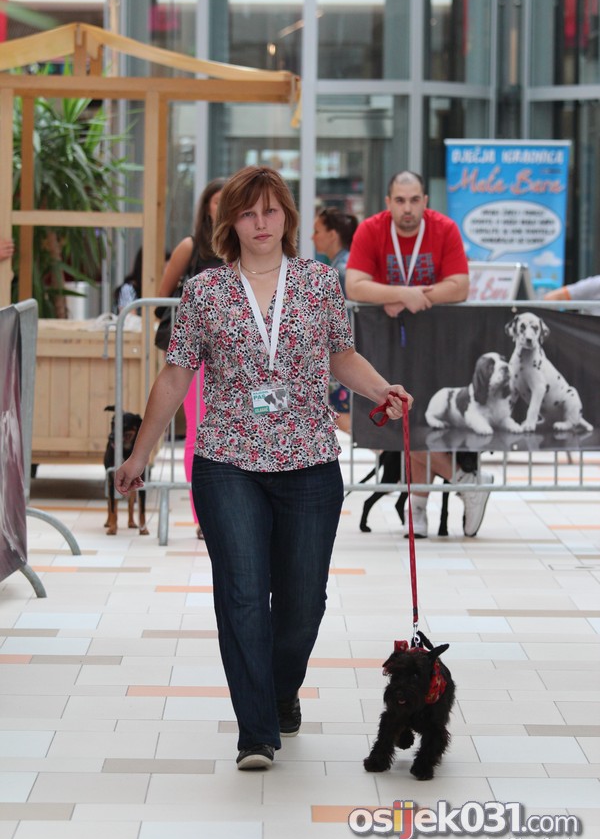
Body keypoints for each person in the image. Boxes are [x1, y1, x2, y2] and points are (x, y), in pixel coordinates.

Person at [115, 165, 413, 771]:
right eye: (248, 213)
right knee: (244, 594)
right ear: (231, 222)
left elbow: (341, 355)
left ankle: (280, 691)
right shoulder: (205, 291)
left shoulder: (319, 282)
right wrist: (140, 452)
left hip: (308, 459)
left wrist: (382, 389)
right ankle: (255, 731)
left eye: (270, 211)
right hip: (228, 461)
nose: (260, 223)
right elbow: (176, 374)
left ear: (287, 218)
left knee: (303, 603)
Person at [345, 169, 493, 539]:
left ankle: (421, 508)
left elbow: (460, 286)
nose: (407, 208)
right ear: (388, 203)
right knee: (400, 421)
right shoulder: (372, 229)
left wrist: (410, 297)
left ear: (425, 202)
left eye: (414, 200)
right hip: (386, 345)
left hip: (438, 346)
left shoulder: (444, 228)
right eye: (400, 200)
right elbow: (355, 285)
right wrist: (401, 293)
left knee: (422, 424)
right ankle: (463, 484)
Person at [157, 178, 226, 538]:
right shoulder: (191, 247)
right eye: (217, 201)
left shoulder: (246, 246)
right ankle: (203, 518)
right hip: (196, 353)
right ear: (206, 207)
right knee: (198, 432)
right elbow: (162, 298)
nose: (223, 207)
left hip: (238, 355)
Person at [312, 207, 359, 435]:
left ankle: (385, 451)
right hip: (345, 351)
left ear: (332, 235)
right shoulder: (342, 266)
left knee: (343, 413)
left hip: (345, 352)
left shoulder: (340, 270)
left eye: (317, 231)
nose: (312, 237)